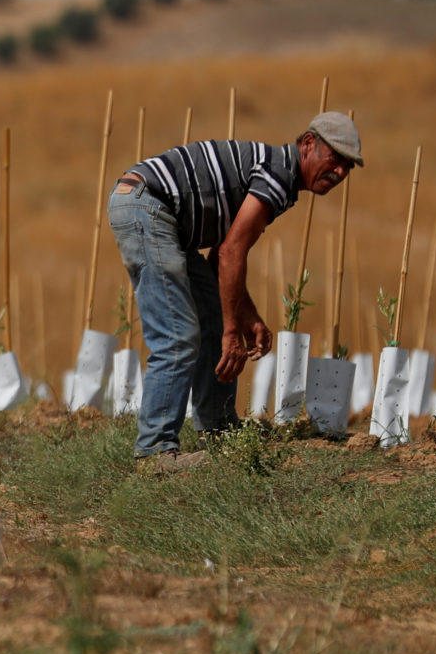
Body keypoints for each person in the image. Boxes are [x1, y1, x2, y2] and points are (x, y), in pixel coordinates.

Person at [107, 112, 361, 468]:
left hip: (158, 214)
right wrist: (232, 332)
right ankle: (153, 452)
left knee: (210, 312)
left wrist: (246, 316)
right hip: (147, 207)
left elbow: (219, 259)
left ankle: (218, 429)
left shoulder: (278, 177)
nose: (339, 173)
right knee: (178, 336)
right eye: (334, 159)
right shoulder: (278, 174)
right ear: (307, 144)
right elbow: (230, 253)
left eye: (347, 168)